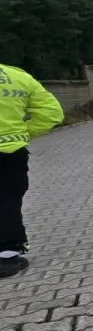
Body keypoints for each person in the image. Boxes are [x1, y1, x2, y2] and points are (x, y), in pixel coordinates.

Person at [0, 64, 64, 278]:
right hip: (10, 152)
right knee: (8, 201)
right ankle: (6, 256)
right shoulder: (16, 76)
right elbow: (51, 113)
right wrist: (22, 133)